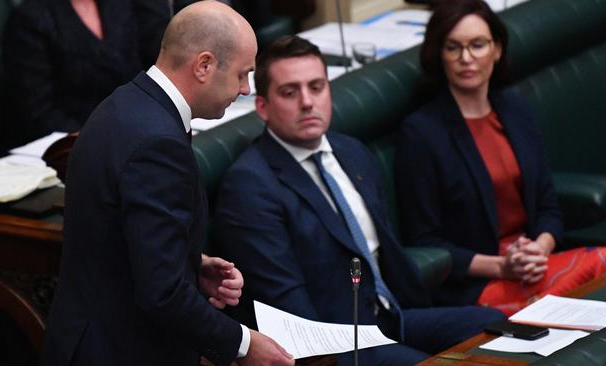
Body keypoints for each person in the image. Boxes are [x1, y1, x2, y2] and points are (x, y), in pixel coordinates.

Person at [211, 35, 505, 366]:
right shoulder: (250, 185)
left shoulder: (352, 152)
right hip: (336, 343)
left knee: (492, 325)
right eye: (290, 92)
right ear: (263, 107)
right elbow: (287, 304)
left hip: (391, 318)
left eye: (317, 87)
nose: (307, 102)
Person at [41, 2, 294, 366]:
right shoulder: (156, 142)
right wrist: (244, 344)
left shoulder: (126, 103)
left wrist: (192, 262)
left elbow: (123, 236)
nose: (244, 89)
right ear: (204, 65)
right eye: (242, 74)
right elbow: (162, 292)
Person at [395, 0, 606, 315]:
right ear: (439, 55)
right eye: (453, 48)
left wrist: (539, 248)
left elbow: (548, 205)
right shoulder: (421, 133)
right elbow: (426, 241)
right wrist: (501, 267)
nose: (466, 58)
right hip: (478, 283)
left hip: (535, 264)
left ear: (497, 49)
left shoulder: (514, 109)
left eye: (477, 45)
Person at [2, 0, 169, 145]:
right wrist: (100, 139)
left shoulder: (120, 5)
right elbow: (39, 113)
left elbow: (151, 66)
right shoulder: (29, 18)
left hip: (131, 131)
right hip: (68, 146)